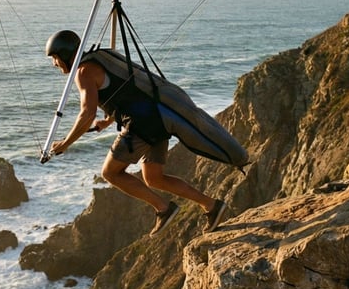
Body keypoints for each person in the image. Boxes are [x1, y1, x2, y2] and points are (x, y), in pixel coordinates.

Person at [45, 30, 228, 236]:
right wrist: (107, 121)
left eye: (55, 58)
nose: (54, 64)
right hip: (158, 117)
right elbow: (127, 90)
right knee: (154, 178)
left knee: (110, 173)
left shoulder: (84, 71)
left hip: (141, 125)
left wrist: (66, 143)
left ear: (65, 54)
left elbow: (87, 112)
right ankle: (212, 206)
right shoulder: (104, 56)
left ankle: (163, 208)